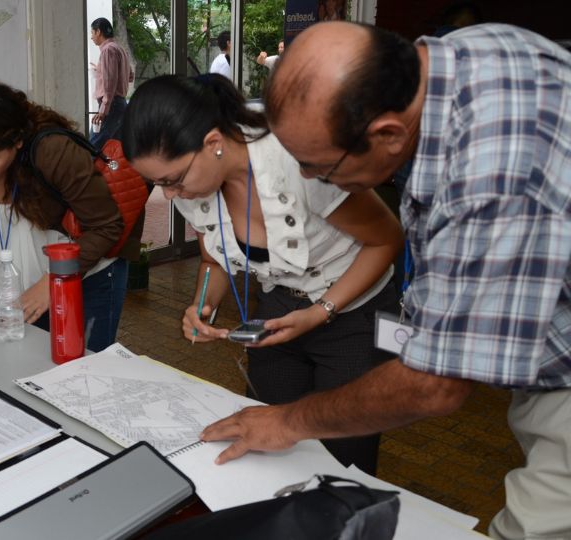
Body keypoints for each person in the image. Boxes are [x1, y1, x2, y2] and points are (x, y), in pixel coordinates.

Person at [204, 21, 571, 540]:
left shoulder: (491, 180)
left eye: (319, 168)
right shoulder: (456, 59)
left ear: (388, 134)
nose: (308, 180)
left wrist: (288, 422)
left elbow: (436, 384)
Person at [120, 74, 403, 474]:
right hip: (278, 313)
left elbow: (386, 240)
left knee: (343, 459)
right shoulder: (192, 187)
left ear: (213, 143)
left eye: (172, 180)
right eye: (158, 184)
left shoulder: (301, 158)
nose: (168, 195)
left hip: (352, 313)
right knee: (268, 442)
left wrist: (321, 311)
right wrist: (203, 305)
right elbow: (212, 260)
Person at [0, 80, 140, 352]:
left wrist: (53, 281)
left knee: (81, 363)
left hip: (88, 272)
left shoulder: (53, 151)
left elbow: (107, 226)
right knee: (32, 358)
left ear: (17, 141)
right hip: (35, 280)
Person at [89, 17, 134, 149]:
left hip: (111, 106)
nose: (92, 37)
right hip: (120, 104)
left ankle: (86, 170)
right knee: (115, 149)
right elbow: (130, 76)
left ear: (98, 32)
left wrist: (103, 109)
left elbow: (110, 82)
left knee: (93, 146)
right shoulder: (120, 49)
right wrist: (101, 69)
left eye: (92, 33)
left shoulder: (108, 50)